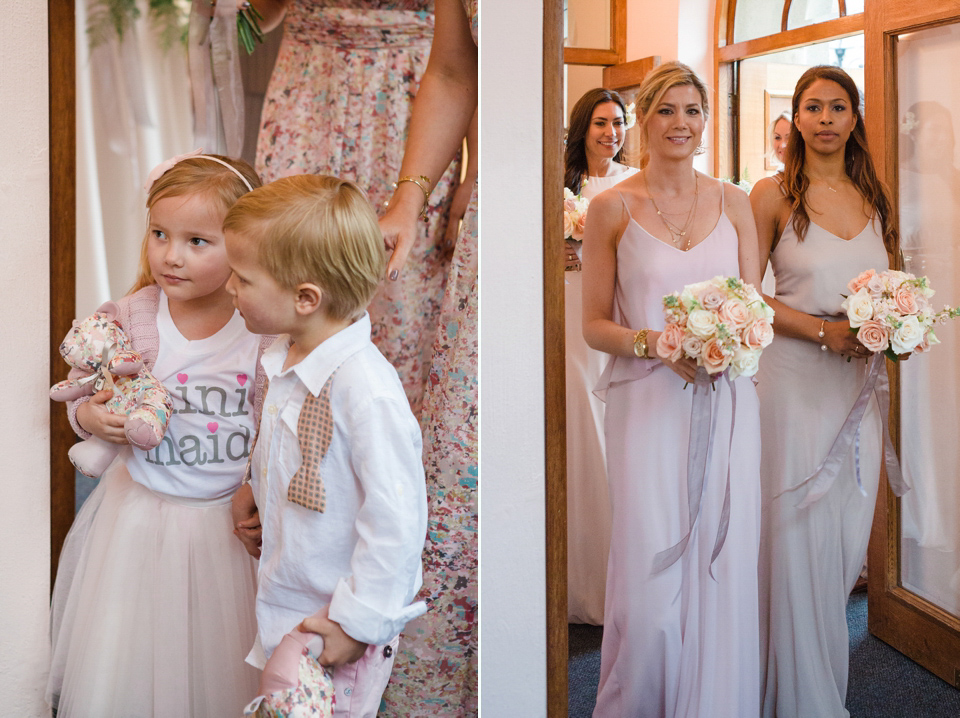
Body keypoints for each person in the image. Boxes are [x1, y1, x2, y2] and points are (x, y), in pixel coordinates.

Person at [46, 153, 267, 717]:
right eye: (160, 234)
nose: (171, 255)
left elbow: (277, 425)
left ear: (244, 243)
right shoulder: (131, 315)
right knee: (134, 656)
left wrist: (263, 491)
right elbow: (86, 389)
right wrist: (90, 421)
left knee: (218, 666)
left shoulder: (260, 326)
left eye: (198, 241)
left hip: (223, 530)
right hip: (137, 518)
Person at [582, 61, 763, 717]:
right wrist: (656, 343)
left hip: (726, 402)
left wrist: (733, 341)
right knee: (650, 579)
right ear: (646, 120)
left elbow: (756, 307)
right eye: (666, 110)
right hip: (647, 404)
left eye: (692, 111)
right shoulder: (610, 208)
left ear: (706, 120)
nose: (680, 124)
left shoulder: (735, 202)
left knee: (721, 558)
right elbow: (595, 324)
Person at [223, 174, 428, 717]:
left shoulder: (365, 390)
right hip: (289, 604)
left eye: (242, 278)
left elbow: (397, 523)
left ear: (305, 298)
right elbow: (296, 457)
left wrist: (355, 625)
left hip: (335, 627)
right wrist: (258, 488)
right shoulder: (289, 356)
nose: (229, 288)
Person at [750, 65, 898, 718]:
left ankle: (820, 680)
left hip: (859, 388)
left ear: (854, 117)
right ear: (797, 119)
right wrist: (820, 332)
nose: (827, 119)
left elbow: (890, 289)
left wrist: (896, 326)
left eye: (839, 108)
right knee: (795, 535)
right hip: (794, 382)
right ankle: (799, 698)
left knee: (843, 541)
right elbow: (744, 296)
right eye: (813, 108)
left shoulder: (876, 196)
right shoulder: (771, 195)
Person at [249, 0, 472, 418]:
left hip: (409, 106)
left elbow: (465, 54)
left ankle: (382, 439)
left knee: (395, 289)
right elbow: (261, 14)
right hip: (307, 93)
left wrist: (474, 171)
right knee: (285, 266)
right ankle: (282, 438)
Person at [374, 0, 477, 714]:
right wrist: (412, 195)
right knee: (457, 450)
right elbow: (451, 65)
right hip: (488, 217)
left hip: (547, 191)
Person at [562, 87, 639, 625]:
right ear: (581, 128)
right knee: (575, 423)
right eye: (600, 122)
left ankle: (619, 576)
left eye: (618, 122)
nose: (610, 132)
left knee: (612, 425)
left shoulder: (633, 188)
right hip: (567, 308)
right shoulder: (559, 186)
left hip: (614, 309)